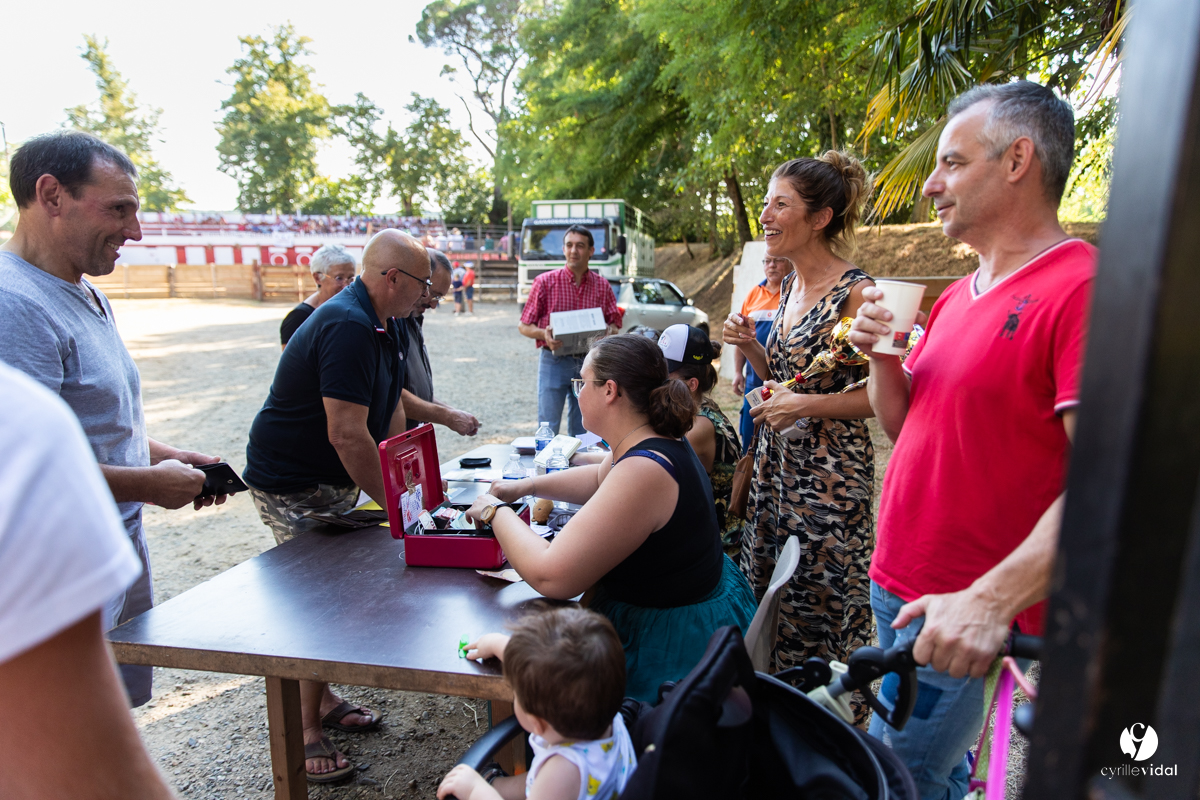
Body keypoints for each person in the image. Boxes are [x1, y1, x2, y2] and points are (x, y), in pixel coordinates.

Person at [848, 82, 1093, 800]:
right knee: (926, 768)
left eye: (951, 163)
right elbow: (906, 424)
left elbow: (1112, 488)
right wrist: (883, 355)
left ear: (1018, 160)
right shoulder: (959, 294)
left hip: (965, 600)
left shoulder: (1083, 289)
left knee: (902, 777)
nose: (930, 185)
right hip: (899, 575)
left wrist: (988, 602)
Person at [0, 130, 224, 708]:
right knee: (70, 731)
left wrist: (164, 456)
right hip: (55, 578)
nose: (135, 230)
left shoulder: (82, 292)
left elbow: (87, 425)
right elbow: (25, 467)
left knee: (111, 717)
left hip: (107, 549)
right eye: (119, 209)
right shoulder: (14, 306)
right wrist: (149, 485)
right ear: (51, 195)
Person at [467, 335, 757, 701]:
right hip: (687, 610)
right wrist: (523, 487)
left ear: (610, 391)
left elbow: (552, 576)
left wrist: (495, 512)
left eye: (582, 383)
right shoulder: (654, 437)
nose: (578, 392)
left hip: (670, 647)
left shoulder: (644, 470)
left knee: (554, 673)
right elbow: (598, 477)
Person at [244, 229, 432, 782]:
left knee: (338, 587)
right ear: (391, 277)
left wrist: (413, 491)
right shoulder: (347, 324)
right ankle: (304, 733)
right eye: (421, 284)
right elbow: (348, 436)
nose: (427, 295)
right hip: (290, 480)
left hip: (328, 477)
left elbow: (390, 415)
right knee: (322, 600)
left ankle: (320, 700)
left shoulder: (388, 323)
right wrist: (400, 512)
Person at [723, 151, 876, 722]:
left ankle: (829, 733)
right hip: (777, 474)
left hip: (830, 485)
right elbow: (786, 381)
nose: (765, 213)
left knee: (819, 605)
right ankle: (779, 726)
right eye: (765, 201)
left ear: (820, 218)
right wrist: (750, 348)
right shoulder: (788, 288)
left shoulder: (859, 293)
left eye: (779, 203)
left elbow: (881, 399)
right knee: (773, 605)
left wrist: (803, 403)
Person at [0, 363, 176, 800]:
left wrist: (157, 460)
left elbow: (108, 425)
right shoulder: (21, 421)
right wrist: (151, 481)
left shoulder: (90, 298)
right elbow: (87, 780)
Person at [437, 607, 637, 800]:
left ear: (537, 724)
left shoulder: (560, 773)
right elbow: (549, 668)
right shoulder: (602, 709)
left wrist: (474, 791)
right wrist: (497, 643)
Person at [518, 225, 624, 436]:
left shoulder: (602, 286)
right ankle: (549, 468)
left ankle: (579, 468)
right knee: (547, 425)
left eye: (580, 246)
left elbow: (615, 326)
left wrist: (605, 332)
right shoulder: (545, 282)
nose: (574, 250)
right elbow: (523, 326)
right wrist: (543, 334)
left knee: (585, 428)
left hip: (590, 364)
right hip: (553, 360)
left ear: (591, 251)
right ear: (564, 249)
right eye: (569, 245)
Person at [659, 323, 743, 557]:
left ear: (691, 384)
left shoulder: (699, 426)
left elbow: (645, 464)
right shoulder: (694, 410)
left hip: (719, 546)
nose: (656, 381)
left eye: (664, 375)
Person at [402, 249, 481, 435]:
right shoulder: (392, 319)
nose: (434, 304)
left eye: (439, 297)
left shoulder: (411, 317)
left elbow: (414, 390)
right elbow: (389, 395)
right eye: (433, 294)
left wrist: (451, 412)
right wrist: (447, 416)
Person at [732, 255, 795, 451]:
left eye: (778, 260)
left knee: (782, 437)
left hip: (787, 380)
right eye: (767, 261)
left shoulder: (795, 293)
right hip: (755, 381)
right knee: (751, 436)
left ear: (790, 262)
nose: (772, 265)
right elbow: (741, 338)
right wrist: (737, 372)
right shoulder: (753, 294)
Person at [280, 244, 358, 348]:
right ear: (317, 278)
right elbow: (290, 363)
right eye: (339, 278)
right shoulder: (298, 318)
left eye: (350, 278)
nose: (346, 285)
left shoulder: (354, 310)